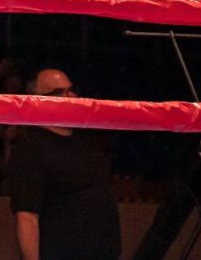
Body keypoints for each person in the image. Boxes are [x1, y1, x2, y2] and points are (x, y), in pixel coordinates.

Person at [9, 69, 121, 260]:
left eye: (71, 90)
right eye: (59, 93)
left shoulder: (85, 141)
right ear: (38, 101)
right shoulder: (30, 147)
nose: (70, 97)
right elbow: (27, 216)